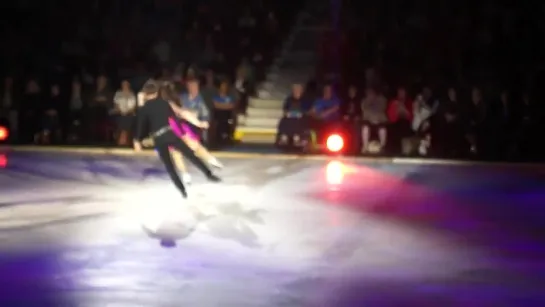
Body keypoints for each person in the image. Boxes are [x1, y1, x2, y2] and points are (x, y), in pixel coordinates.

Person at [133, 81, 220, 199]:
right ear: (157, 92)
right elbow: (178, 116)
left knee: (170, 167)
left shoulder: (144, 108)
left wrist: (137, 140)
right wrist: (191, 128)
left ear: (145, 94)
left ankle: (182, 191)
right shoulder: (164, 103)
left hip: (158, 138)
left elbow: (140, 125)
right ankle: (209, 175)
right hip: (170, 134)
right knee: (191, 155)